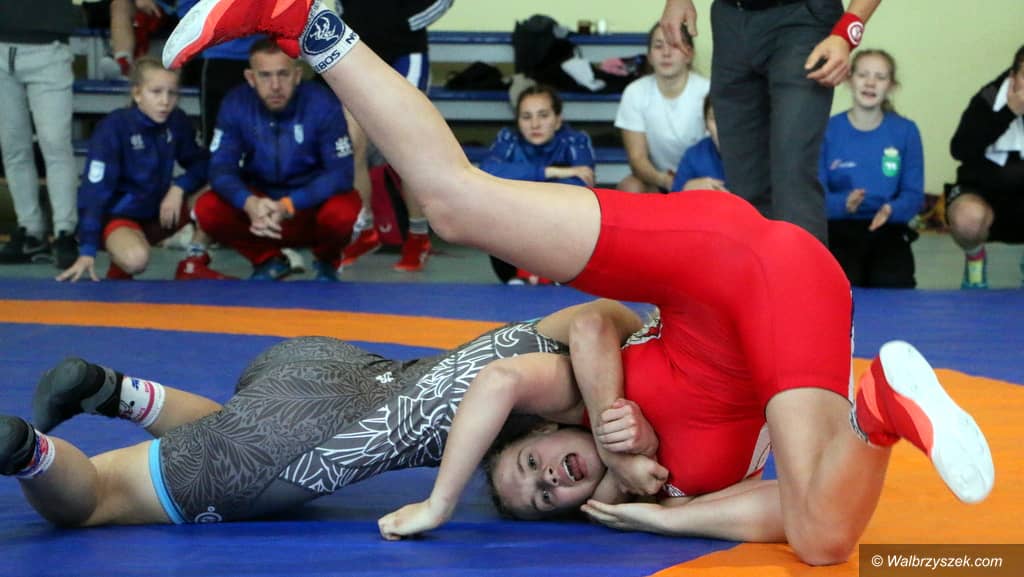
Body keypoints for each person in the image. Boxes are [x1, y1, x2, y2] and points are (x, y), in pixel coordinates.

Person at [162, 1, 995, 565]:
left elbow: (566, 340)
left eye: (528, 465)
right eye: (545, 497)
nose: (549, 477)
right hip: (791, 294)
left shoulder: (583, 396)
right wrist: (658, 514)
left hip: (707, 254)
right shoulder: (684, 485)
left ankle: (304, 24)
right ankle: (881, 408)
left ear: (540, 433)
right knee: (821, 535)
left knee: (452, 205)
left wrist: (450, 498)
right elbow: (778, 507)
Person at [0, 299, 644, 526]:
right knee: (97, 501)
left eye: (542, 493)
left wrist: (614, 453)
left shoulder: (592, 366)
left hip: (324, 362)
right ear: (550, 427)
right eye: (536, 468)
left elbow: (602, 316)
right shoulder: (571, 398)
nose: (549, 478)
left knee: (230, 428)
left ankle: (111, 391)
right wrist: (439, 503)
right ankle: (24, 450)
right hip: (313, 438)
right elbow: (513, 376)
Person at [659, 0, 883, 245]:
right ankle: (758, 270)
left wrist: (847, 32)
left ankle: (801, 269)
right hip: (730, 17)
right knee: (744, 185)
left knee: (793, 175)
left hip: (802, 18)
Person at [195, 38, 360, 281]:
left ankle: (327, 262)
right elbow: (220, 168)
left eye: (283, 74)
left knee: (344, 210)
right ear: (251, 78)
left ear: (297, 75)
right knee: (207, 208)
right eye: (265, 76)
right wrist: (248, 202)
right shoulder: (235, 103)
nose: (275, 86)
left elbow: (341, 174)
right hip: (259, 211)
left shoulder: (322, 103)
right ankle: (268, 260)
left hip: (307, 208)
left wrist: (289, 204)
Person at [57, 58, 231, 282]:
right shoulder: (114, 127)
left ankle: (193, 261)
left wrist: (179, 187)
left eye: (172, 93)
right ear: (137, 94)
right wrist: (87, 249)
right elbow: (94, 192)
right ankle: (121, 261)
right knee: (135, 259)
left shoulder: (176, 121)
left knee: (220, 185)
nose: (165, 101)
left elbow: (203, 164)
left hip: (160, 215)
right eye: (156, 92)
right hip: (120, 219)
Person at [336, 0, 454, 273]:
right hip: (359, 50)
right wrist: (349, 19)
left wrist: (406, 22)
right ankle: (365, 230)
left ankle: (418, 236)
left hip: (405, 51)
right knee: (352, 143)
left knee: (407, 148)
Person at [820, 49, 923, 288]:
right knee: (842, 287)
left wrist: (891, 210)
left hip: (887, 227)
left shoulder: (906, 131)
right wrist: (842, 204)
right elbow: (815, 193)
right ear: (849, 79)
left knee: (893, 284)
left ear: (891, 86)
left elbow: (913, 194)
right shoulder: (828, 130)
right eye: (863, 75)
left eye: (880, 77)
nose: (870, 83)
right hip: (839, 228)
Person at [479, 84, 595, 284]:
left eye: (543, 115)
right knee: (496, 206)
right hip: (510, 253)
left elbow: (581, 184)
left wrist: (523, 188)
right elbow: (487, 172)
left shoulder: (575, 141)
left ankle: (545, 275)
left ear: (558, 120)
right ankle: (527, 275)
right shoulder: (508, 139)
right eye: (526, 117)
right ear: (518, 121)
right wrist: (549, 172)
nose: (535, 124)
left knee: (574, 206)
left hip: (563, 243)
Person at [0, 0, 81, 270]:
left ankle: (65, 231)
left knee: (55, 144)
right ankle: (30, 230)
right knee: (13, 147)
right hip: (2, 46)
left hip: (49, 46)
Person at [947, 44, 1024, 289]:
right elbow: (959, 149)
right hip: (986, 195)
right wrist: (1008, 113)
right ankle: (975, 260)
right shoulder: (988, 98)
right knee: (967, 217)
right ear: (1013, 76)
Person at [614, 23, 708, 193]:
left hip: (701, 179)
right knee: (630, 187)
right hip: (660, 179)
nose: (666, 53)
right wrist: (667, 181)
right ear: (649, 56)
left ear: (689, 54)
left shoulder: (707, 92)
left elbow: (719, 154)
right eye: (658, 46)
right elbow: (637, 159)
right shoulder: (635, 92)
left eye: (675, 45)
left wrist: (689, 184)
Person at [670, 95, 725, 192]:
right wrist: (687, 187)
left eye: (729, 117)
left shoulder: (754, 153)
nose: (721, 125)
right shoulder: (693, 156)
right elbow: (674, 195)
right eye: (713, 118)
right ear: (706, 124)